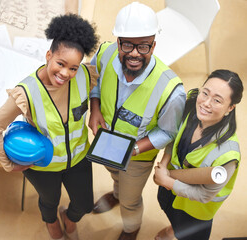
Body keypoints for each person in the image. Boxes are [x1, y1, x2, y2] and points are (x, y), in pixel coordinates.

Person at [0, 14, 99, 240]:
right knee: (49, 201)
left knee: (85, 204)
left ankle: (70, 218)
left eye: (73, 68)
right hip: (43, 166)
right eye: (60, 63)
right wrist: (8, 165)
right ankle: (51, 222)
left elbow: (94, 90)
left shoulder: (85, 74)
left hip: (78, 159)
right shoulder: (26, 92)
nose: (66, 73)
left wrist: (94, 109)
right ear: (49, 56)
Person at [88, 2, 186, 240]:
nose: (134, 53)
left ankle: (131, 229)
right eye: (128, 44)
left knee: (131, 201)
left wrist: (136, 148)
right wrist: (95, 107)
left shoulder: (172, 91)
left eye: (143, 46)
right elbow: (94, 79)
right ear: (118, 41)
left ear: (154, 45)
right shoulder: (106, 52)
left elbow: (168, 132)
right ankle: (116, 193)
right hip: (106, 143)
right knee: (114, 175)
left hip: (137, 158)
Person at [153, 69, 243, 240]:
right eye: (205, 93)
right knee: (170, 213)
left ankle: (175, 231)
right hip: (169, 187)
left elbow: (204, 195)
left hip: (195, 210)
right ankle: (173, 229)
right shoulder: (191, 106)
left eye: (217, 100)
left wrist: (167, 181)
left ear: (230, 108)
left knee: (188, 234)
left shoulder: (228, 154)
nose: (206, 103)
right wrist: (164, 164)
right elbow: (175, 137)